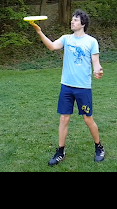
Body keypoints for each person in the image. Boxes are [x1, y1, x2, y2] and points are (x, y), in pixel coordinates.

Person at [30, 10, 105, 166]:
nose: (72, 21)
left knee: (87, 119)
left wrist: (97, 70)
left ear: (83, 24)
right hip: (66, 87)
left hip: (83, 88)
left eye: (76, 20)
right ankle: (60, 151)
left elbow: (96, 63)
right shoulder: (66, 38)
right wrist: (39, 32)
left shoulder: (91, 41)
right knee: (64, 118)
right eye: (72, 19)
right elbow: (52, 46)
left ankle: (99, 147)